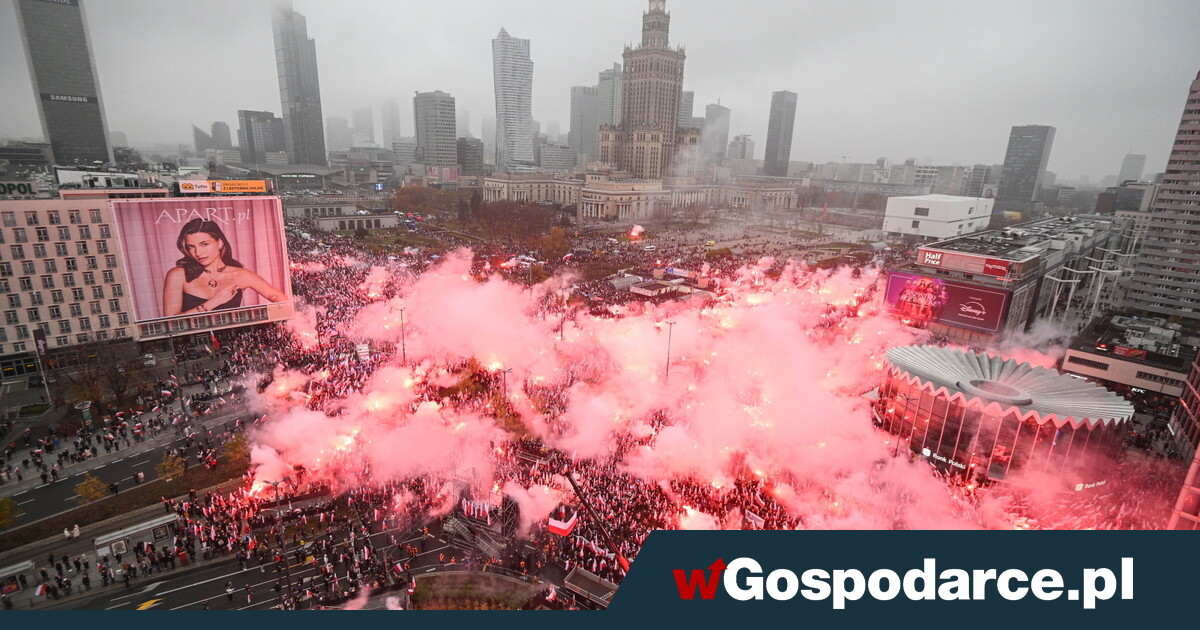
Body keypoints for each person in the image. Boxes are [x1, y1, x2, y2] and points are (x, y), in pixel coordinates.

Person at [162, 219, 287, 317]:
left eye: (204, 244)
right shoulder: (178, 275)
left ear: (220, 242)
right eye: (191, 247)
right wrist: (213, 302)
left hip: (233, 340)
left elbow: (277, 297)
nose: (198, 253)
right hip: (191, 343)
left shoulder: (240, 275)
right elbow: (170, 323)